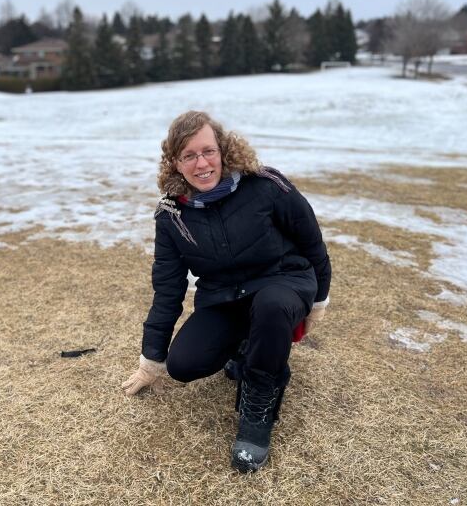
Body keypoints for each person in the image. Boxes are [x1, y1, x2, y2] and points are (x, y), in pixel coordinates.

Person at [121, 111, 331, 473]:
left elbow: (312, 242)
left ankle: (259, 405)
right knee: (184, 365)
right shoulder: (172, 214)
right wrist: (152, 358)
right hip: (225, 298)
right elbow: (168, 289)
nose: (201, 163)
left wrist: (318, 301)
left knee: (272, 307)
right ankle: (248, 347)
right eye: (189, 155)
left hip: (283, 282)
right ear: (175, 163)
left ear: (224, 149)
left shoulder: (266, 184)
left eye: (208, 151)